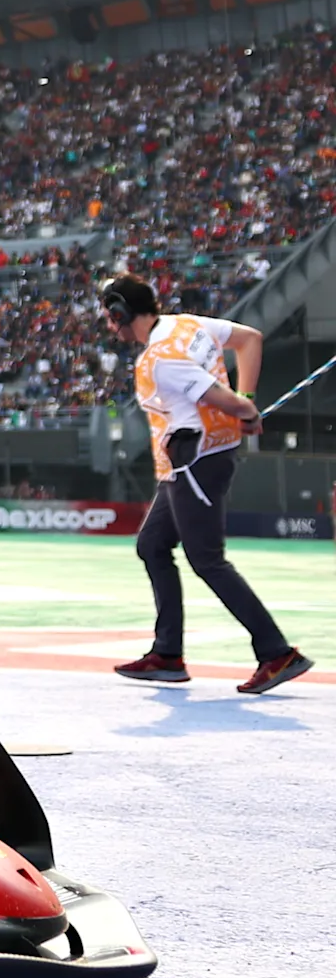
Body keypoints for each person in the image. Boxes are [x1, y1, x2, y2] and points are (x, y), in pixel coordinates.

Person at [98, 273, 310, 694]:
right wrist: (247, 405)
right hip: (187, 466)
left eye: (109, 317)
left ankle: (276, 652)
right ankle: (167, 654)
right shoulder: (185, 324)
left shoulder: (158, 358)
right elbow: (250, 339)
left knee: (207, 559)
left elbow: (224, 400)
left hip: (197, 463)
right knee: (153, 545)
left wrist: (244, 411)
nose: (108, 326)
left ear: (122, 314)